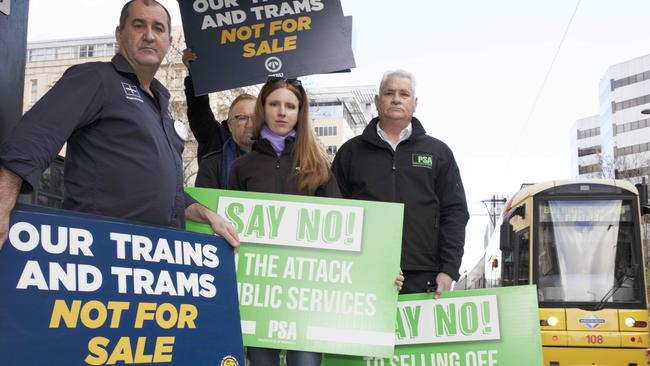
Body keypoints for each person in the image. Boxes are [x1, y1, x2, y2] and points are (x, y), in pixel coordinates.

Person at [0, 0, 239, 249]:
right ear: (119, 34)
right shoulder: (96, 78)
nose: (149, 35)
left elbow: (164, 193)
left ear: (169, 42)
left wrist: (206, 214)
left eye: (158, 28)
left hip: (154, 256)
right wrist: (3, 201)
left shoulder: (161, 104)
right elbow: (35, 135)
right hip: (99, 249)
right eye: (139, 25)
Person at [228, 77, 340, 366]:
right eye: (275, 104)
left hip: (307, 291)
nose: (282, 112)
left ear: (299, 113)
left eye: (290, 106)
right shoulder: (242, 167)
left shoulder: (318, 165)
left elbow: (342, 227)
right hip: (259, 292)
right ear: (262, 108)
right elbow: (229, 231)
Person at [332, 70, 469, 296]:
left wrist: (449, 269)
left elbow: (454, 213)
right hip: (362, 271)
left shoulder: (438, 153)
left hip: (424, 275)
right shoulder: (351, 152)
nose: (396, 99)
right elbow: (335, 209)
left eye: (404, 94)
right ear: (377, 101)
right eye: (389, 93)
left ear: (415, 103)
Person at [194, 93, 256, 189]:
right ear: (230, 125)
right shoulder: (211, 165)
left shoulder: (282, 162)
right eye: (242, 118)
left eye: (256, 117)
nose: (250, 124)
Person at [182, 48, 231, 161]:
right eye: (240, 117)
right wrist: (195, 72)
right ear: (230, 120)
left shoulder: (264, 145)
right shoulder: (214, 137)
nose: (248, 122)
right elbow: (199, 109)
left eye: (252, 116)